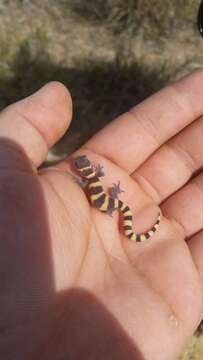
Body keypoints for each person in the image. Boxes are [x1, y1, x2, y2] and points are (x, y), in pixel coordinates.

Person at [0, 70, 203, 360]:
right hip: (109, 205)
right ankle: (140, 227)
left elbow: (88, 184)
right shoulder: (90, 179)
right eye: (81, 167)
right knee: (124, 217)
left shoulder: (88, 179)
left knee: (125, 218)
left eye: (80, 167)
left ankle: (141, 228)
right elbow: (91, 183)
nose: (79, 167)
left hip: (108, 206)